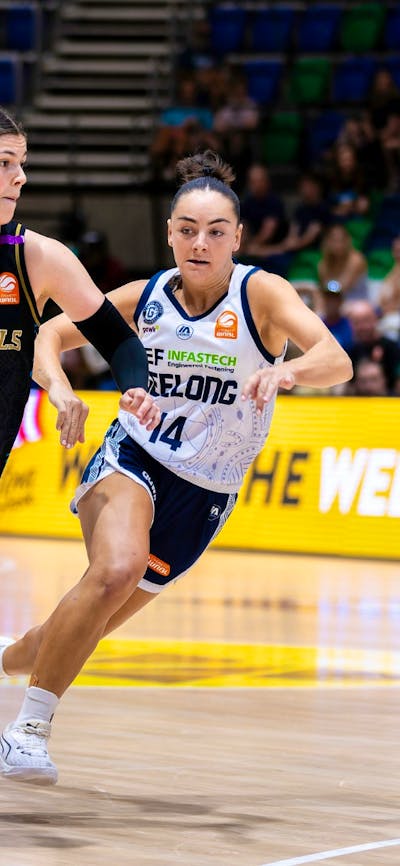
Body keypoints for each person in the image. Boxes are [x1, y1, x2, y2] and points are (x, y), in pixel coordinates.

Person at [0, 150, 352, 785]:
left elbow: (337, 359)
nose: (200, 242)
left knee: (69, 630)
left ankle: (13, 658)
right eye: (187, 229)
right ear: (169, 234)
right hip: (133, 455)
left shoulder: (261, 295)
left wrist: (287, 369)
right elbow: (47, 333)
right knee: (116, 567)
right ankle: (26, 733)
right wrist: (59, 388)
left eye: (216, 231)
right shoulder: (146, 297)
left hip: (206, 492)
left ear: (237, 238)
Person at [0, 106, 160, 477]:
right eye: (6, 162)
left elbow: (118, 340)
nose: (20, 177)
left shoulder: (38, 258)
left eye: (22, 163)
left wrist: (135, 389)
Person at [346, 298, 400, 393]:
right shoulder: (350, 351)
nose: (362, 326)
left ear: (375, 319)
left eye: (366, 320)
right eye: (357, 322)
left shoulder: (392, 348)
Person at [317, 223, 368, 303]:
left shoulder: (356, 260)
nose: (337, 245)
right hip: (333, 303)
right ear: (327, 242)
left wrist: (327, 286)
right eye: (334, 241)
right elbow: (324, 287)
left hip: (356, 302)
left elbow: (343, 287)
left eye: (341, 241)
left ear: (347, 241)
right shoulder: (323, 263)